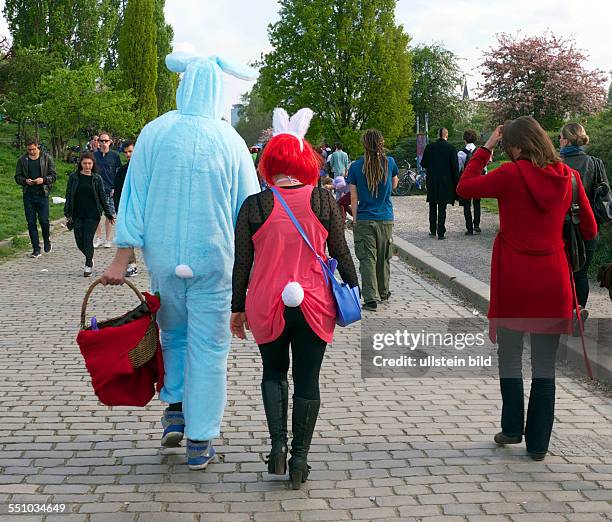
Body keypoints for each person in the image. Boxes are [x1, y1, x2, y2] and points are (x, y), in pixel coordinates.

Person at [101, 51, 260, 471]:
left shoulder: (154, 133)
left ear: (183, 84)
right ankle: (201, 439)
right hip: (215, 258)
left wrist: (123, 255)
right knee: (210, 346)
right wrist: (254, 268)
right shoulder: (232, 142)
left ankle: (174, 406)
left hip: (165, 254)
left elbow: (132, 195)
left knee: (172, 333)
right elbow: (249, 209)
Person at [230, 107, 358, 490]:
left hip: (267, 302)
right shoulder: (322, 202)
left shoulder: (254, 205)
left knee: (272, 372)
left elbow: (241, 264)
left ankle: (277, 447)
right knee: (308, 380)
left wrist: (237, 309)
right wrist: (354, 291)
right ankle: (301, 458)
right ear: (306, 161)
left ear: (269, 161)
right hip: (315, 304)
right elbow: (343, 253)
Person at [456, 116, 597, 461]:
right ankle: (538, 445)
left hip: (514, 282)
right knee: (545, 366)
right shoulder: (571, 179)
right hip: (552, 280)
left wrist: (486, 148)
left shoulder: (510, 174)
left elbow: (465, 187)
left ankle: (511, 428)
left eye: (507, 146)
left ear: (517, 146)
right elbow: (591, 230)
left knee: (510, 358)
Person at [559, 123, 610, 308]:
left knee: (562, 273)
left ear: (565, 140)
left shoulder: (555, 163)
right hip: (588, 226)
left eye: (559, 137)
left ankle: (563, 315)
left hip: (560, 228)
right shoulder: (595, 162)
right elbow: (606, 196)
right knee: (581, 274)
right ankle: (578, 317)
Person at [348, 129, 399, 311]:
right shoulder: (390, 163)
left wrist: (354, 219)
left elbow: (353, 198)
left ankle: (370, 298)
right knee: (383, 257)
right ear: (381, 143)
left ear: (364, 144)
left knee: (367, 258)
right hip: (385, 217)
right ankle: (384, 291)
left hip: (364, 218)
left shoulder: (355, 167)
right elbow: (394, 184)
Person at [64, 153, 115, 276]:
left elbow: (102, 196)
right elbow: (69, 195)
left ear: (93, 165)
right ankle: (89, 256)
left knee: (87, 240)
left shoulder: (97, 178)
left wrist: (108, 213)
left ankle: (88, 265)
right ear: (80, 164)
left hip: (93, 214)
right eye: (85, 163)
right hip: (77, 213)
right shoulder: (74, 177)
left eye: (89, 163)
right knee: (79, 241)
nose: (87, 166)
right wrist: (67, 212)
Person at [14, 139, 57, 258]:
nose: (31, 152)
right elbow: (17, 177)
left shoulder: (46, 158)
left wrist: (43, 180)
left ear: (37, 147)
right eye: (29, 150)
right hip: (28, 194)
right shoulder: (22, 160)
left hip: (42, 193)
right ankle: (36, 248)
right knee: (31, 222)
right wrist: (25, 181)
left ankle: (47, 239)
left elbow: (53, 176)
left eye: (33, 149)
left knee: (44, 220)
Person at [421, 128, 459, 240]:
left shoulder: (429, 147)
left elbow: (423, 163)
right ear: (446, 135)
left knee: (432, 205)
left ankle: (432, 230)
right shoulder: (451, 148)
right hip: (446, 181)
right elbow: (455, 167)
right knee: (442, 207)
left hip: (432, 180)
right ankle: (441, 232)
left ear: (438, 135)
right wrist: (456, 182)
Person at [112, 140, 138, 277]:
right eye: (126, 152)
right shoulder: (122, 171)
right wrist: (119, 210)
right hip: (128, 208)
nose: (128, 155)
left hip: (144, 209)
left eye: (130, 151)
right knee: (128, 237)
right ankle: (132, 264)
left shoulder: (145, 169)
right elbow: (117, 192)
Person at [93, 132, 121, 248]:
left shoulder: (115, 156)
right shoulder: (94, 155)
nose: (104, 143)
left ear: (110, 142)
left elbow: (118, 172)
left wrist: (116, 187)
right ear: (98, 142)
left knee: (110, 215)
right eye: (101, 141)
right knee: (96, 214)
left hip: (110, 190)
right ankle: (98, 238)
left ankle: (108, 239)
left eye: (106, 141)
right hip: (96, 189)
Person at [457, 129, 482, 235]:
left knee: (467, 205)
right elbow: (484, 167)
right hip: (478, 180)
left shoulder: (461, 153)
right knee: (477, 203)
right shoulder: (480, 151)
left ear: (464, 139)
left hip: (467, 180)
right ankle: (476, 224)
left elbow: (459, 168)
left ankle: (469, 228)